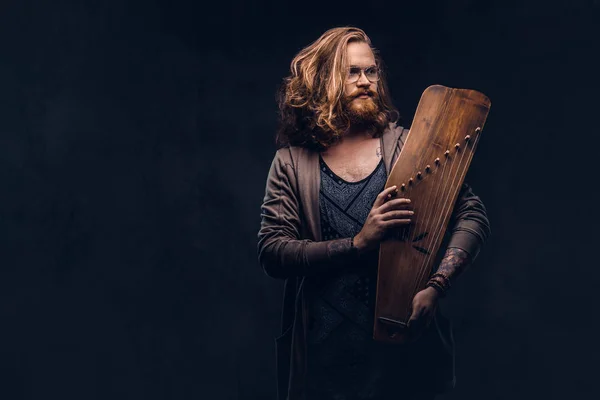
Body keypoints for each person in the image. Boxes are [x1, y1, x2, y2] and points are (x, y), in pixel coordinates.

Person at [257, 26, 490, 400]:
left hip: (402, 357)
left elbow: (473, 215)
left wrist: (437, 285)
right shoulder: (291, 163)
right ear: (322, 81)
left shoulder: (410, 147)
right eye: (352, 72)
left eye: (371, 71)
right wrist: (357, 243)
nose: (366, 81)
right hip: (322, 359)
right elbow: (272, 251)